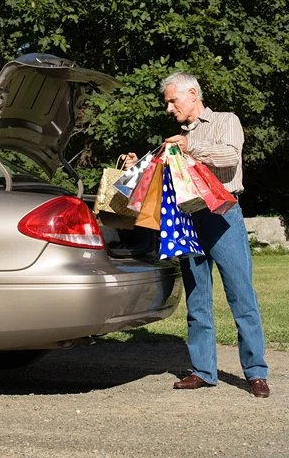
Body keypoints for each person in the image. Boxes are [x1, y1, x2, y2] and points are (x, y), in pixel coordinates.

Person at [124, 72, 270, 398]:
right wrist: (138, 165)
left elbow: (230, 157)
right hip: (188, 219)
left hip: (224, 216)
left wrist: (191, 145)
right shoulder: (177, 138)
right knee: (197, 298)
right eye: (167, 102)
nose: (168, 108)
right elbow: (162, 179)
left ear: (192, 94)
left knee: (241, 295)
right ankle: (204, 371)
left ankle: (256, 372)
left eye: (172, 100)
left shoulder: (225, 121)